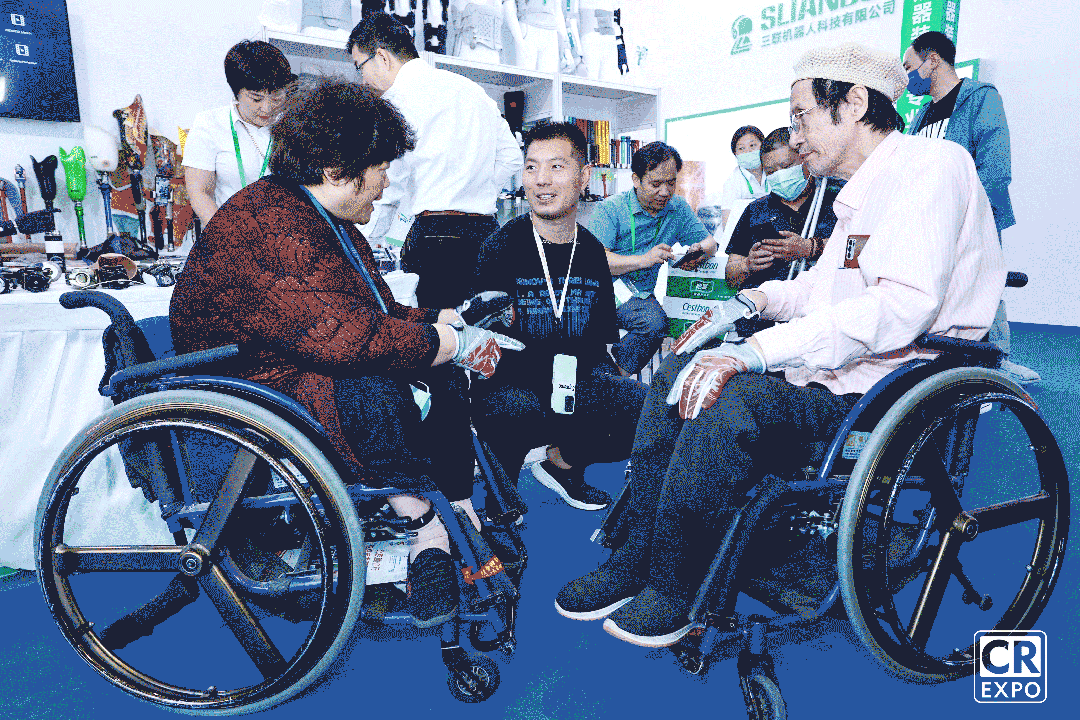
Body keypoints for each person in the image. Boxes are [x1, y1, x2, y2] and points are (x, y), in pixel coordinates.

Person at [554, 42, 1006, 647]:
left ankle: (677, 581)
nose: (794, 137)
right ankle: (638, 551)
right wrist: (750, 304)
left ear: (853, 103)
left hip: (892, 391)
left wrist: (757, 352)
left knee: (728, 399)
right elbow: (823, 288)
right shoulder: (863, 193)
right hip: (845, 373)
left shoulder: (932, 167)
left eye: (801, 116)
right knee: (679, 371)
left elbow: (900, 306)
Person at [170, 79, 522, 629]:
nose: (386, 183)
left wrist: (444, 321)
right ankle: (426, 525)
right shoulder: (271, 224)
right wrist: (448, 341)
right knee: (375, 378)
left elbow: (371, 312)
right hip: (249, 386)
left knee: (438, 369)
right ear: (337, 170)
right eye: (380, 168)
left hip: (287, 363)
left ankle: (452, 511)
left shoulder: (316, 217)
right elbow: (347, 337)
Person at [471, 121, 648, 511]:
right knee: (514, 408)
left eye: (556, 166)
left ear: (584, 177)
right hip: (512, 381)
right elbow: (482, 348)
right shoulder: (499, 247)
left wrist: (611, 391)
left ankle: (562, 465)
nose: (541, 180)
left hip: (573, 378)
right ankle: (500, 503)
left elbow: (597, 344)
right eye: (531, 167)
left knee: (645, 409)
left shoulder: (592, 252)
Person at [348, 13, 523, 309]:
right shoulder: (472, 89)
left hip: (436, 238)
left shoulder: (396, 102)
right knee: (485, 331)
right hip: (487, 234)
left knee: (440, 332)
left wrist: (360, 241)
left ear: (382, 57)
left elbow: (388, 186)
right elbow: (512, 157)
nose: (363, 79)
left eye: (359, 66)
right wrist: (474, 189)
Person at [903, 31, 1037, 385]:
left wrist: (968, 215)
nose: (908, 77)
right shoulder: (922, 115)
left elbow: (995, 165)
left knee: (984, 286)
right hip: (927, 220)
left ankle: (998, 360)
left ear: (932, 60)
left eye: (910, 66)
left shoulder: (981, 97)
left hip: (972, 217)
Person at [587, 141, 718, 375]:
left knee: (657, 323)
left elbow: (711, 244)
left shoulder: (677, 208)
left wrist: (699, 250)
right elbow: (594, 263)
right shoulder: (611, 209)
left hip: (639, 296)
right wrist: (644, 260)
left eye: (671, 183)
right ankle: (610, 379)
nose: (665, 192)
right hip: (601, 291)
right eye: (656, 184)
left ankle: (610, 378)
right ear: (636, 180)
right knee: (652, 323)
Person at [183, 40, 296, 228]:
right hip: (228, 234)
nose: (267, 108)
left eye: (276, 98)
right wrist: (228, 236)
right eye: (256, 99)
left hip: (282, 237)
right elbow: (200, 193)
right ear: (237, 93)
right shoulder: (210, 125)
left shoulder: (293, 127)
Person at [725, 126, 842, 291]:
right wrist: (747, 265)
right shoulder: (755, 211)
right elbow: (730, 277)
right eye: (771, 171)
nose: (780, 175)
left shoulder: (836, 198)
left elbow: (860, 251)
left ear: (804, 158)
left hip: (821, 298)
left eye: (786, 166)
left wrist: (811, 248)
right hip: (766, 301)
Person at [719, 125, 769, 232]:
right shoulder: (732, 181)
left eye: (752, 145)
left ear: (763, 145)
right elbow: (727, 225)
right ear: (735, 153)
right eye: (741, 148)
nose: (748, 151)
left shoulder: (773, 172)